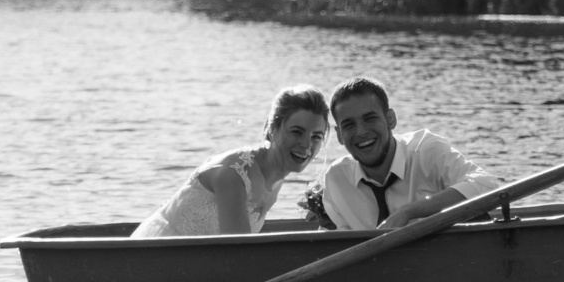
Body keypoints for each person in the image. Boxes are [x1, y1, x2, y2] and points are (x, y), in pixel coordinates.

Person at [131, 87, 331, 239]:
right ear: (272, 129)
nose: (307, 145)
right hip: (159, 260)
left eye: (316, 136)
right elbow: (237, 254)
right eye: (297, 132)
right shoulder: (234, 175)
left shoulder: (275, 178)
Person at [313, 77, 503, 231]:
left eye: (370, 119)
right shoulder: (337, 178)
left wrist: (408, 212)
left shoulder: (427, 151)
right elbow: (338, 243)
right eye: (349, 125)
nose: (361, 132)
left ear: (391, 119)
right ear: (339, 135)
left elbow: (487, 186)